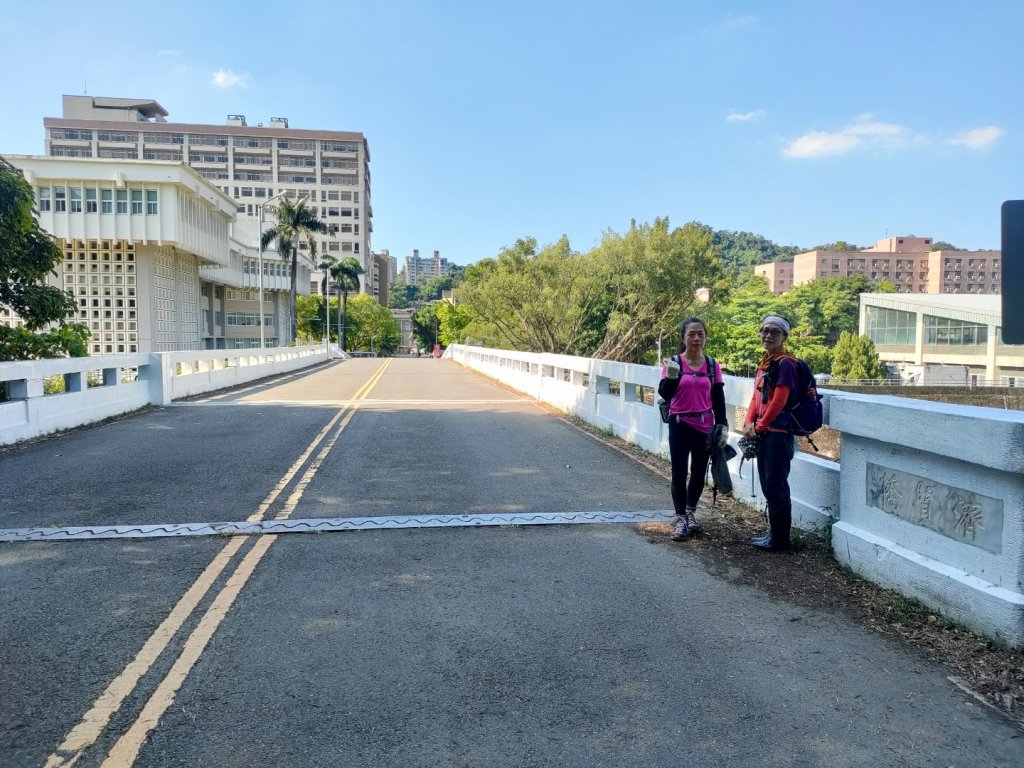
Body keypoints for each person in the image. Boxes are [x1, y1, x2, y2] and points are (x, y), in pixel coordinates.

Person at [658, 318, 727, 541]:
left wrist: (722, 424)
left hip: (705, 425)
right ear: (683, 337)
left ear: (705, 337)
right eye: (691, 334)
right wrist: (671, 377)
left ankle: (690, 512)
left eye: (700, 334)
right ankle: (679, 518)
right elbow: (665, 394)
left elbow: (718, 396)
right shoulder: (673, 362)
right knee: (679, 471)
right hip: (679, 424)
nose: (696, 339)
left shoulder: (711, 365)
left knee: (699, 472)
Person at [742, 315, 798, 551]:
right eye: (765, 330)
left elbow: (778, 401)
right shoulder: (766, 363)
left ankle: (780, 540)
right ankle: (774, 535)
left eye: (775, 332)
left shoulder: (785, 364)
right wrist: (748, 422)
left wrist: (761, 426)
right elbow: (758, 397)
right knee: (768, 484)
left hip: (778, 433)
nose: (768, 335)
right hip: (765, 432)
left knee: (776, 486)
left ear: (785, 336)